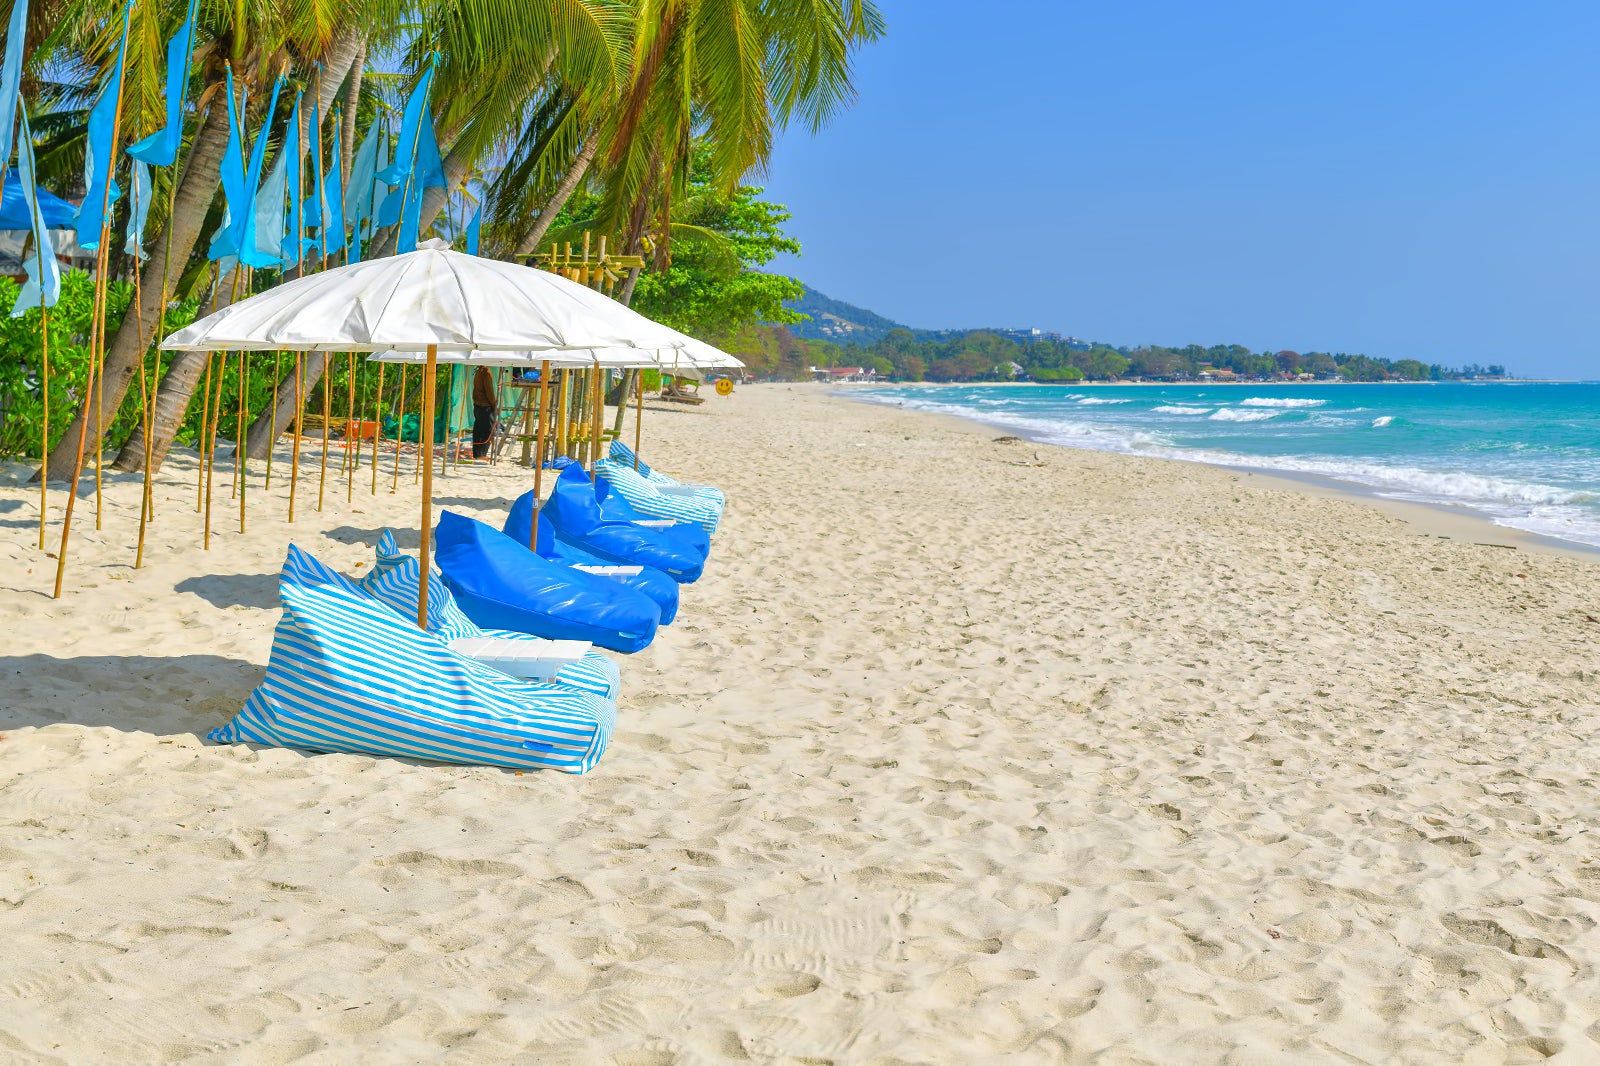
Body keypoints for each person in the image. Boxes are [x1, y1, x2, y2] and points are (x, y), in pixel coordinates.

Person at [472, 366, 497, 461]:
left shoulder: (478, 371)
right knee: (487, 431)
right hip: (485, 406)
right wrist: (494, 405)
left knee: (478, 430)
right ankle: (481, 454)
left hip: (478, 405)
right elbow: (489, 391)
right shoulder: (486, 373)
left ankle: (477, 453)